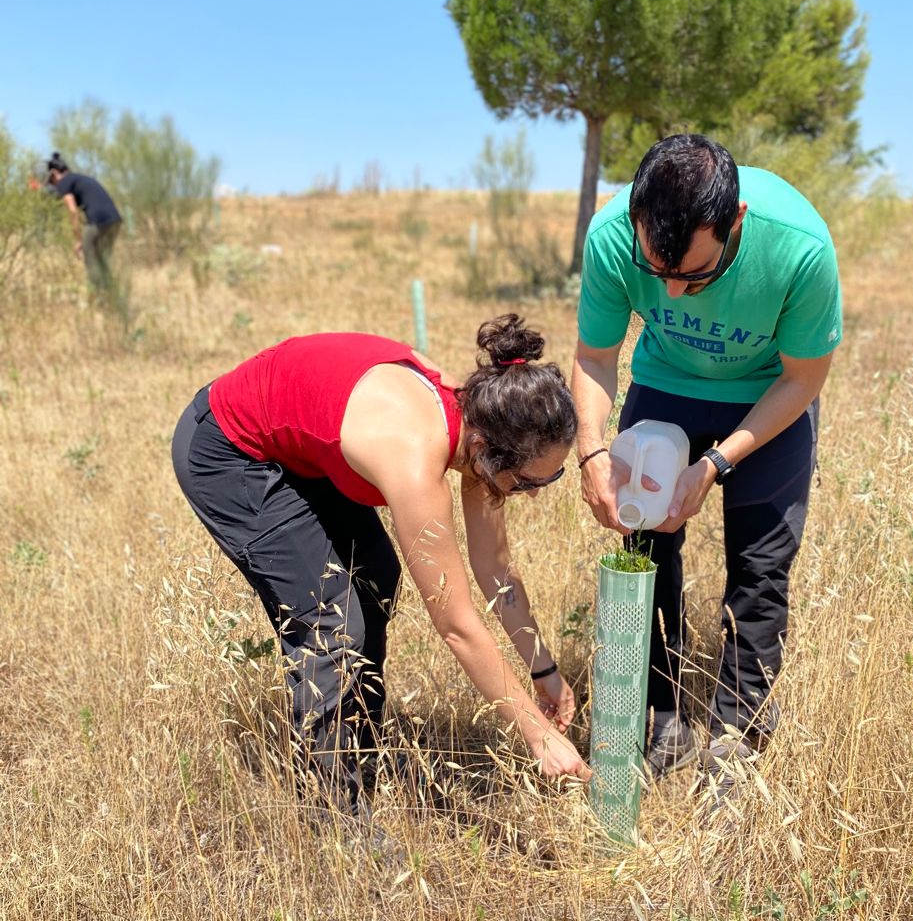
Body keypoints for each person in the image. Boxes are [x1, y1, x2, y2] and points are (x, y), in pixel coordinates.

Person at [171, 314, 592, 816]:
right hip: (228, 450)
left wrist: (543, 670)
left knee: (374, 578)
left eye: (547, 480)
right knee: (332, 621)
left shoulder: (483, 419)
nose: (530, 495)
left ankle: (358, 750)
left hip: (306, 452)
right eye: (526, 482)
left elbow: (496, 571)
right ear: (484, 450)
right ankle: (333, 811)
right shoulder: (415, 458)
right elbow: (456, 624)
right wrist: (535, 732)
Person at [572, 134, 842, 798]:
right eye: (655, 268)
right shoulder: (610, 236)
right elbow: (595, 358)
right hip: (666, 386)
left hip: (768, 399)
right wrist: (592, 449)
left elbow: (803, 379)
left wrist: (717, 463)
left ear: (737, 222)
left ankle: (736, 733)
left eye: (692, 275)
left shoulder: (799, 248)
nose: (671, 291)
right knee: (647, 541)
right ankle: (660, 713)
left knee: (760, 567)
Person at [38, 152, 122, 292]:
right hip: (115, 220)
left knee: (91, 259)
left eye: (50, 181)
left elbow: (72, 211)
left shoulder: (64, 182)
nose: (53, 185)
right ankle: (113, 293)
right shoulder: (80, 179)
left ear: (54, 173)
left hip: (98, 221)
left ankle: (99, 298)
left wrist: (78, 240)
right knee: (101, 259)